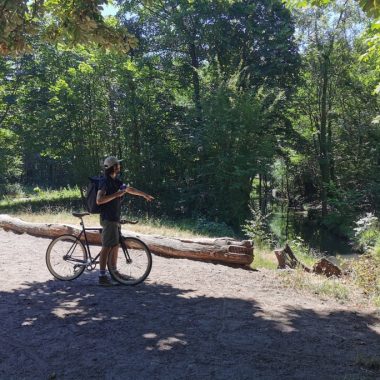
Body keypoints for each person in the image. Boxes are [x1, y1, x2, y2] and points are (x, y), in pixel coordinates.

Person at [96, 156, 154, 286]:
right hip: (108, 218)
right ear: (112, 167)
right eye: (117, 164)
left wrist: (144, 194)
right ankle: (102, 276)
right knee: (106, 247)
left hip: (115, 218)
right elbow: (99, 200)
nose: (119, 166)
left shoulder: (116, 181)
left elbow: (129, 189)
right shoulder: (105, 181)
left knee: (115, 245)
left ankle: (114, 272)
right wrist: (116, 195)